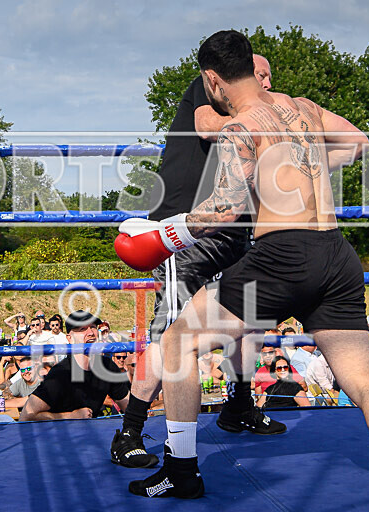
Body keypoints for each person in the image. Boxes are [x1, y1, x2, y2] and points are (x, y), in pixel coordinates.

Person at [116, 31, 369, 508]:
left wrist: (167, 233)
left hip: (283, 257)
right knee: (364, 382)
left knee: (176, 342)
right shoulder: (303, 108)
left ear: (213, 80)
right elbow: (357, 141)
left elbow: (225, 209)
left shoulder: (240, 127)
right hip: (337, 257)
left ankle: (181, 471)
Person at [107, 52, 276, 469]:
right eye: (260, 75)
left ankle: (239, 406)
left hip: (236, 233)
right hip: (185, 230)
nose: (267, 84)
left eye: (270, 77)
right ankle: (129, 431)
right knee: (170, 336)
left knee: (246, 320)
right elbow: (205, 125)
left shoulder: (262, 115)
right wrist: (261, 124)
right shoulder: (209, 88)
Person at [19, 311, 130, 422]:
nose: (90, 333)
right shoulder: (61, 373)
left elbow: (128, 405)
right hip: (60, 432)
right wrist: (71, 416)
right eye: (82, 329)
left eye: (93, 327)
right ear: (70, 338)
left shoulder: (107, 366)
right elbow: (26, 416)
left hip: (92, 431)